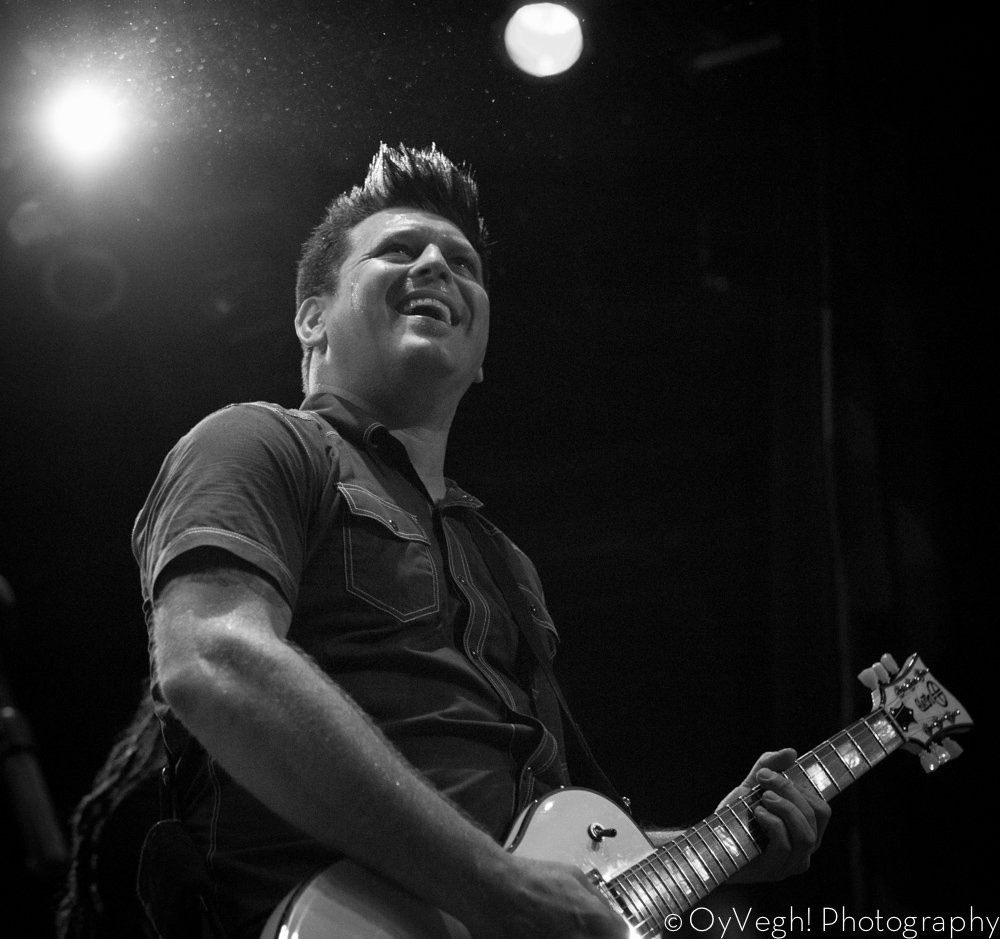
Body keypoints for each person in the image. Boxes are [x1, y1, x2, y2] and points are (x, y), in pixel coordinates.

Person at [132, 143, 830, 939]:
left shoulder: (506, 564)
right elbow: (214, 660)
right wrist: (497, 888)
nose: (436, 265)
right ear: (311, 317)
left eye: (463, 264)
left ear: (482, 353)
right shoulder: (259, 442)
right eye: (399, 250)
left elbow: (548, 852)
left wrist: (722, 845)